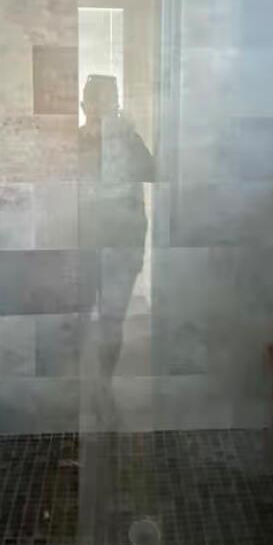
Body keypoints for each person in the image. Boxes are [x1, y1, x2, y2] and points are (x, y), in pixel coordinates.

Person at [78, 74, 154, 379]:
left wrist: (128, 137)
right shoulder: (74, 143)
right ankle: (86, 384)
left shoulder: (129, 141)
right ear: (84, 106)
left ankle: (104, 384)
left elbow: (153, 172)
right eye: (96, 103)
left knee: (111, 320)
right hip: (83, 243)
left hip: (123, 243)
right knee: (78, 318)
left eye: (110, 104)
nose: (102, 111)